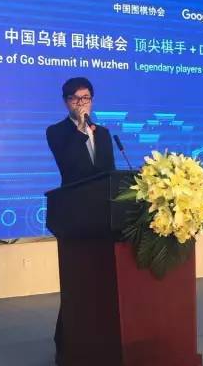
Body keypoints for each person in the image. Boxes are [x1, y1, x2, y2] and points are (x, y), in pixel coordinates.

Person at [45, 77, 115, 365]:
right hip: (75, 218)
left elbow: (109, 173)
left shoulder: (104, 133)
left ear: (92, 100)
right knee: (78, 282)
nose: (81, 103)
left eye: (85, 98)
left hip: (104, 217)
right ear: (66, 102)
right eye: (75, 99)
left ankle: (104, 340)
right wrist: (81, 130)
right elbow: (69, 164)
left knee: (104, 282)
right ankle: (66, 344)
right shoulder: (57, 132)